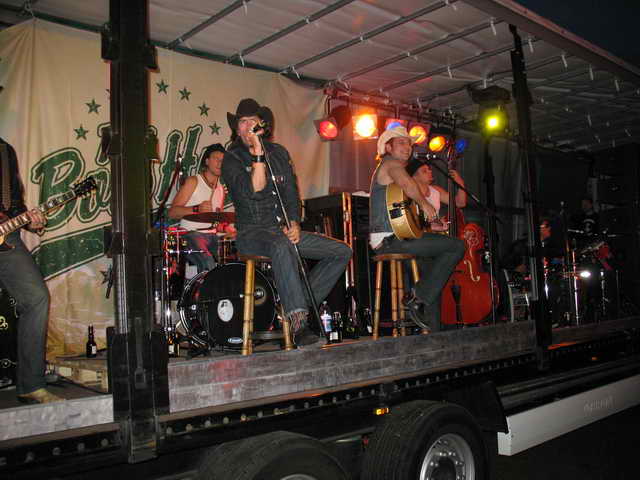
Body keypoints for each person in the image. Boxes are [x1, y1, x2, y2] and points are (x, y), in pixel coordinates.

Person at [221, 98, 352, 347]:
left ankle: (298, 301)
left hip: (283, 231)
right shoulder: (232, 158)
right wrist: (258, 155)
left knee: (341, 251)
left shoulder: (280, 153)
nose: (247, 126)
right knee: (281, 245)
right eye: (242, 122)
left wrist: (294, 223)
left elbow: (292, 194)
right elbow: (254, 190)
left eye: (252, 121)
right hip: (252, 234)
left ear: (262, 125)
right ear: (237, 129)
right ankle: (299, 323)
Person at [369, 126, 465, 332]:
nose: (408, 147)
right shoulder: (390, 163)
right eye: (401, 142)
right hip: (390, 239)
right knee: (457, 246)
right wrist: (426, 205)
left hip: (398, 237)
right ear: (388, 147)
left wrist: (427, 222)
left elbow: (403, 212)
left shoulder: (394, 172)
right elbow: (408, 185)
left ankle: (431, 328)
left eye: (409, 144)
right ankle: (417, 298)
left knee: (433, 274)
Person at [0, 138, 63, 404]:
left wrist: (30, 222)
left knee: (37, 297)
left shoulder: (3, 149)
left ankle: (30, 384)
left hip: (6, 237)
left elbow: (13, 201)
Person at [168, 143, 235, 272]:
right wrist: (196, 209)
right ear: (207, 161)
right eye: (216, 159)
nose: (220, 163)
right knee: (208, 262)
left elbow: (214, 222)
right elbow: (172, 212)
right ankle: (208, 283)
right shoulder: (194, 181)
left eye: (223, 160)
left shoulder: (220, 189)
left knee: (232, 258)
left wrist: (226, 228)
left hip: (212, 236)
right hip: (190, 235)